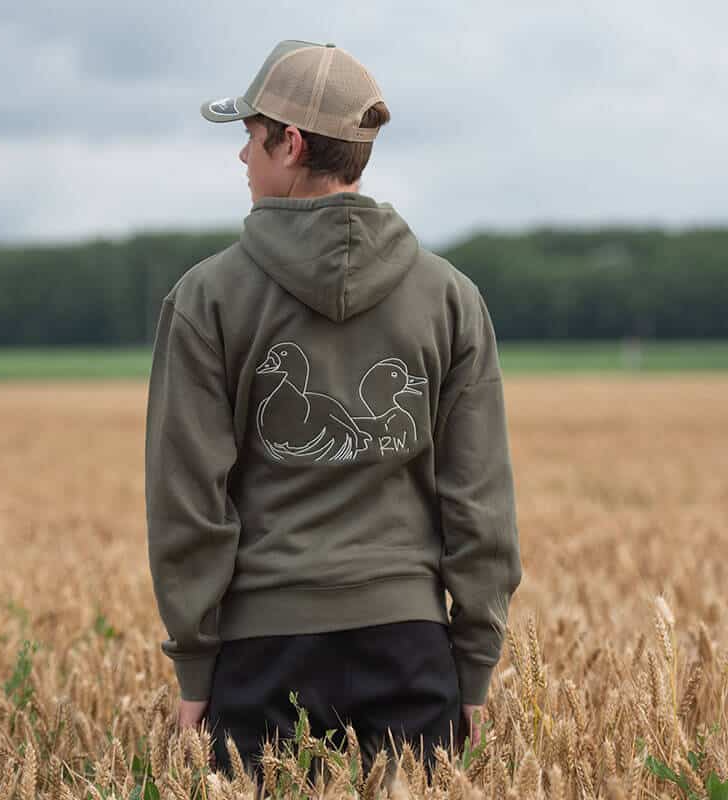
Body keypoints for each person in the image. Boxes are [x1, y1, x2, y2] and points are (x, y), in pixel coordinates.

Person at [145, 38, 522, 788]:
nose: (241, 157)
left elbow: (188, 501)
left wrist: (195, 662)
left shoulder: (205, 299)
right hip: (411, 651)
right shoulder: (450, 298)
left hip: (260, 653)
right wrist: (474, 663)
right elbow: (479, 502)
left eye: (251, 136)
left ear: (289, 144)